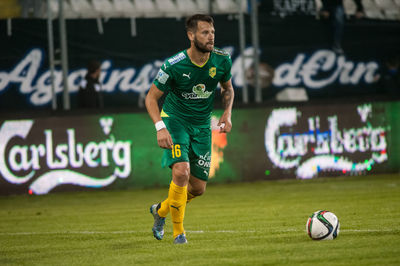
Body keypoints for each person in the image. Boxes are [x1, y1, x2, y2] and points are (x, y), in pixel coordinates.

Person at [145, 14, 234, 244]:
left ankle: (161, 211)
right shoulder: (173, 65)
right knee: (181, 172)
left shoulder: (222, 60)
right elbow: (151, 99)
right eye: (205, 32)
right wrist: (160, 128)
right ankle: (179, 234)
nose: (211, 36)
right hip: (175, 121)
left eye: (212, 32)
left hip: (202, 125)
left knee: (198, 188)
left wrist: (227, 113)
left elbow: (228, 89)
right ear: (191, 35)